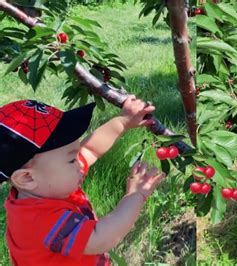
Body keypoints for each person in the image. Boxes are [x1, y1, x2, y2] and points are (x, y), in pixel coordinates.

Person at [0, 96, 166, 265]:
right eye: (72, 159)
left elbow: (90, 149)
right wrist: (136, 195)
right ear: (27, 178)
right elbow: (101, 238)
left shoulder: (47, 184)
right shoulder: (37, 221)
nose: (79, 162)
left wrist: (123, 121)